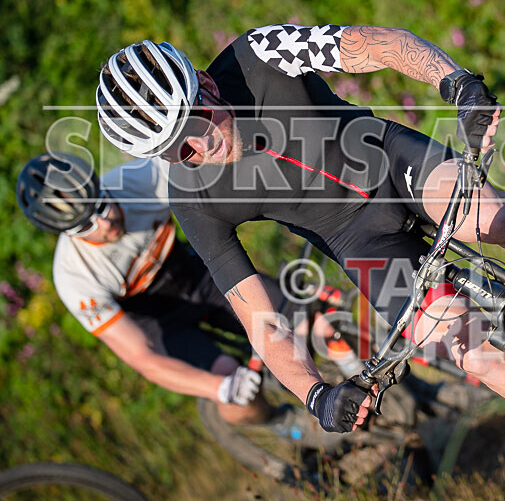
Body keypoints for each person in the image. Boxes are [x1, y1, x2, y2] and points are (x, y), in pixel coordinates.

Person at [95, 25, 505, 434]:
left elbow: (375, 45)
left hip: (392, 163)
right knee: (473, 355)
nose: (194, 150)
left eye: (191, 129)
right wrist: (315, 393)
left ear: (202, 85)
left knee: (490, 218)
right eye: (174, 152)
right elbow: (260, 320)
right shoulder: (190, 198)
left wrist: (454, 81)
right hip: (359, 242)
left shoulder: (259, 54)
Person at [15, 151, 345, 432]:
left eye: (101, 205)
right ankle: (280, 425)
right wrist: (221, 388)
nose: (105, 223)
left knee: (305, 317)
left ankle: (368, 381)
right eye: (84, 226)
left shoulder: (138, 180)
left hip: (192, 274)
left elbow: (212, 182)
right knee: (233, 386)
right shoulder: (73, 277)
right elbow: (141, 356)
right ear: (65, 232)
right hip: (157, 321)